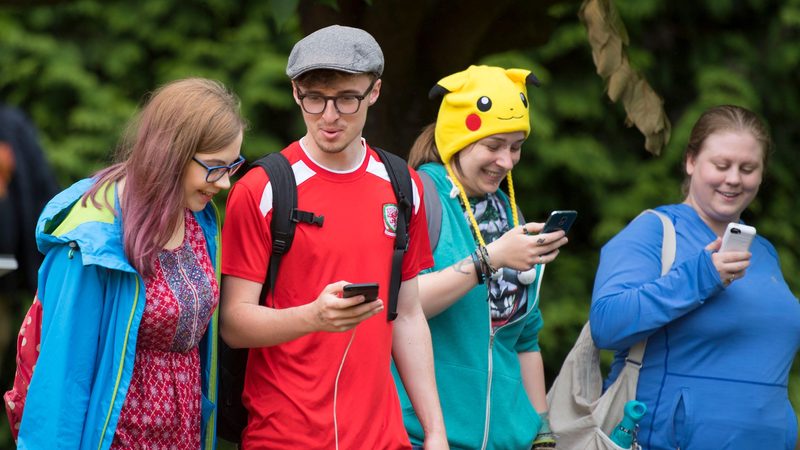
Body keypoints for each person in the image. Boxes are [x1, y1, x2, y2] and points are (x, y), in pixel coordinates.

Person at [219, 25, 448, 449]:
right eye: (314, 98)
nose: (329, 115)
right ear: (294, 93)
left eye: (346, 98)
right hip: (283, 437)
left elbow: (409, 314)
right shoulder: (262, 187)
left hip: (384, 438)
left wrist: (435, 432)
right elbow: (233, 323)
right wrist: (314, 317)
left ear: (375, 91)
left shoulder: (403, 184)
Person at [4, 77, 246, 449]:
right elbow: (63, 376)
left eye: (232, 167)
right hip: (115, 438)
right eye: (215, 167)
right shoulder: (97, 237)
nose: (225, 183)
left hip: (183, 436)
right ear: (173, 152)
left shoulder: (199, 217)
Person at [590, 105, 800, 450]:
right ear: (691, 161)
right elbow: (607, 323)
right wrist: (701, 276)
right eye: (721, 165)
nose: (734, 178)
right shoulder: (654, 230)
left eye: (748, 168)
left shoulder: (764, 251)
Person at [396, 64, 569, 449]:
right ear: (458, 141)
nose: (507, 161)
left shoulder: (510, 215)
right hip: (424, 437)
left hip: (508, 440)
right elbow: (401, 305)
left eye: (516, 146)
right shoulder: (420, 198)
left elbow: (525, 340)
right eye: (493, 146)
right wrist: (489, 260)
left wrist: (541, 434)